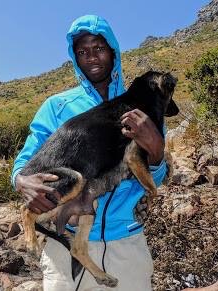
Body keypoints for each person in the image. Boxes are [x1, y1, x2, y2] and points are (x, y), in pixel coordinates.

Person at [11, 15, 168, 291]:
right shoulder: (56, 106)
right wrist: (20, 182)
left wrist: (156, 150)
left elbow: (156, 173)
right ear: (75, 57)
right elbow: (26, 162)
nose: (91, 57)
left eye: (99, 48)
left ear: (113, 52)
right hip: (65, 247)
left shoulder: (142, 107)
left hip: (127, 244)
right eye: (82, 51)